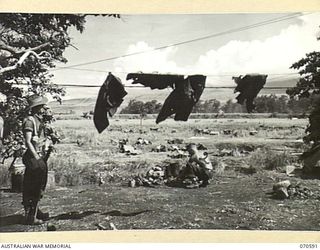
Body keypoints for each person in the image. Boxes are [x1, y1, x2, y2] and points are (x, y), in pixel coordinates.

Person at [22, 94, 50, 225]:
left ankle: (36, 211)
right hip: (33, 158)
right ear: (36, 107)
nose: (44, 108)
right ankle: (31, 217)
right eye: (42, 106)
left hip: (39, 156)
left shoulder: (38, 120)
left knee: (39, 185)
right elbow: (28, 142)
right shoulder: (29, 121)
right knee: (33, 186)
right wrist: (37, 158)